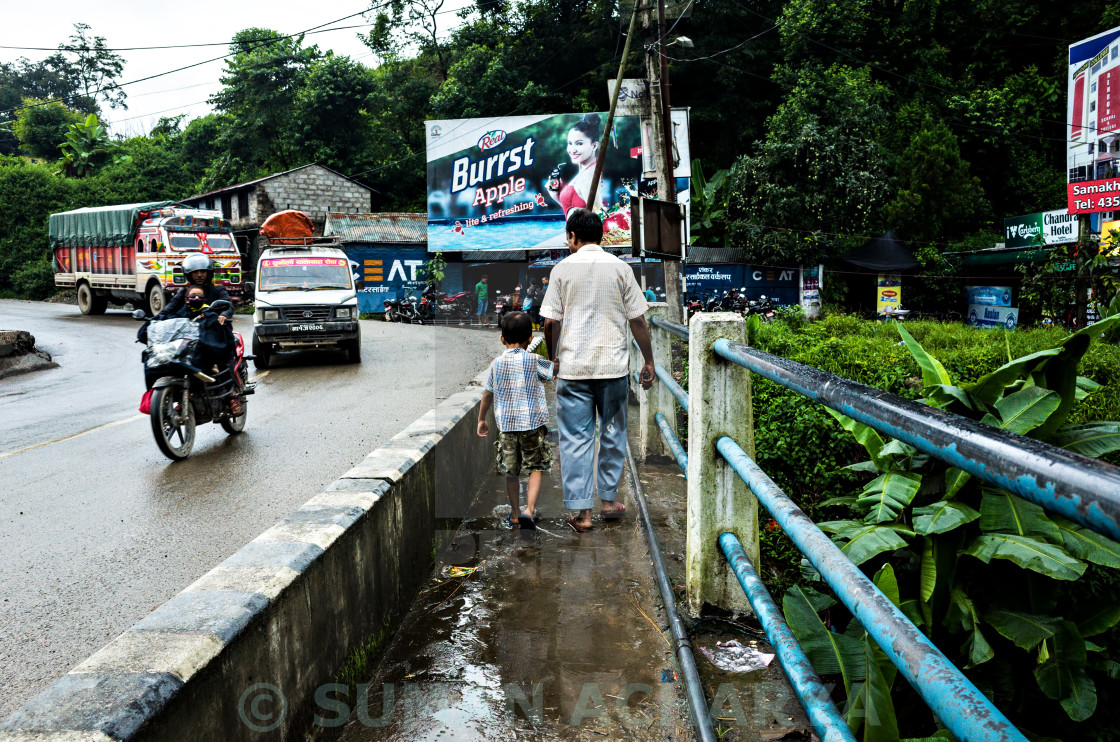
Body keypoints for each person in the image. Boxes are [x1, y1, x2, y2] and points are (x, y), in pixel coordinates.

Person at [540, 209, 655, 533]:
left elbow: (550, 322)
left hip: (574, 369)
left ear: (573, 237)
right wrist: (649, 361)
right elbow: (638, 320)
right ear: (601, 236)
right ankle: (608, 502)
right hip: (613, 368)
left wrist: (554, 359)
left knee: (575, 439)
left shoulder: (562, 269)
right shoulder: (620, 268)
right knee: (613, 433)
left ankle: (582, 514)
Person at [476, 312, 557, 529]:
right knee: (535, 467)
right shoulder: (535, 360)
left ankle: (514, 513)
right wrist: (556, 360)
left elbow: (487, 394)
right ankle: (529, 510)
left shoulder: (496, 364)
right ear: (530, 339)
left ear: (502, 339)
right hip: (533, 426)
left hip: (508, 428)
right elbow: (552, 373)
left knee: (511, 472)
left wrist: (481, 419)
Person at [546, 113, 604, 217]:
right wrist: (555, 195)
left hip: (581, 233)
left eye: (579, 143)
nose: (572, 150)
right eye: (570, 143)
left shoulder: (587, 177)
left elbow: (599, 217)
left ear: (594, 145)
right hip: (575, 232)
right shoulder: (586, 171)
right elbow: (576, 211)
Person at [159, 254, 233, 326]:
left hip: (213, 329)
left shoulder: (218, 289)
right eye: (195, 272)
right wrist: (155, 319)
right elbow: (169, 308)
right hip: (187, 333)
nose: (199, 275)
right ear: (189, 274)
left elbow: (228, 305)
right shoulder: (184, 291)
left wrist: (224, 315)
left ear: (209, 273)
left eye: (203, 271)